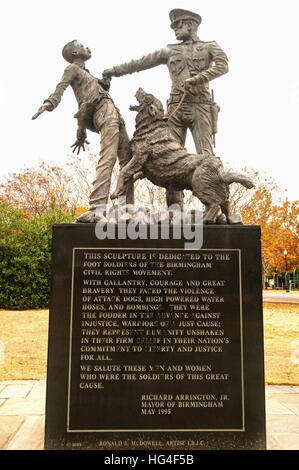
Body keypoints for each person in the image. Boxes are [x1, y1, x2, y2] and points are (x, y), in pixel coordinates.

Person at [103, 9, 228, 208]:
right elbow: (140, 62)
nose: (176, 30)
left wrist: (199, 78)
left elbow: (223, 65)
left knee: (207, 157)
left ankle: (218, 210)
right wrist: (114, 71)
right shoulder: (170, 50)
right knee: (169, 159)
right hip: (175, 110)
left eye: (179, 25)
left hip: (201, 107)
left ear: (191, 25)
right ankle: (174, 209)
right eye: (174, 26)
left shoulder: (209, 47)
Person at [32, 40, 134, 222]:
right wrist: (49, 104)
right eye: (82, 46)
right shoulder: (72, 69)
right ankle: (97, 207)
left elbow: (85, 101)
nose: (87, 47)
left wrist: (81, 131)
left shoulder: (90, 76)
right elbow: (61, 88)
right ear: (74, 53)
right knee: (108, 157)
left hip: (115, 113)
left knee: (128, 161)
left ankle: (127, 208)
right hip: (104, 112)